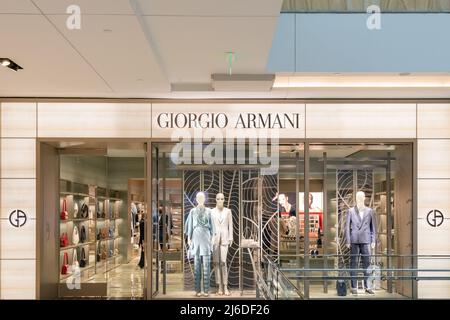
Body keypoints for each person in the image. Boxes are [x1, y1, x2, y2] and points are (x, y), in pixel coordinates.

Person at [345, 191, 376, 295]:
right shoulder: (350, 211)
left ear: (364, 198)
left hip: (366, 240)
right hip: (354, 240)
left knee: (367, 264)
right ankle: (354, 287)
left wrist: (373, 240)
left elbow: (373, 228)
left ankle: (368, 287)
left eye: (361, 197)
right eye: (358, 197)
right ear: (356, 198)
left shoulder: (370, 211)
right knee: (353, 264)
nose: (359, 199)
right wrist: (348, 241)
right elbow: (347, 227)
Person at [185, 192, 215, 297]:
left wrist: (213, 238)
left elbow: (212, 226)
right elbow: (189, 226)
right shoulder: (192, 211)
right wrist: (189, 238)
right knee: (197, 265)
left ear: (205, 199)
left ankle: (206, 290)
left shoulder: (209, 211)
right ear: (196, 199)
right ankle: (197, 290)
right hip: (196, 238)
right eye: (198, 197)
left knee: (206, 266)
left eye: (202, 197)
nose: (200, 199)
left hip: (206, 238)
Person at [211, 193, 233, 296]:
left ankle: (225, 285)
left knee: (223, 262)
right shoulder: (211, 212)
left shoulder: (228, 211)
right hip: (214, 239)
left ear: (224, 200)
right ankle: (219, 285)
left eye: (222, 199)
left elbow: (230, 225)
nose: (220, 200)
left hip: (224, 239)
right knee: (216, 263)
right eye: (218, 198)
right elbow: (211, 226)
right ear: (216, 199)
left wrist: (231, 237)